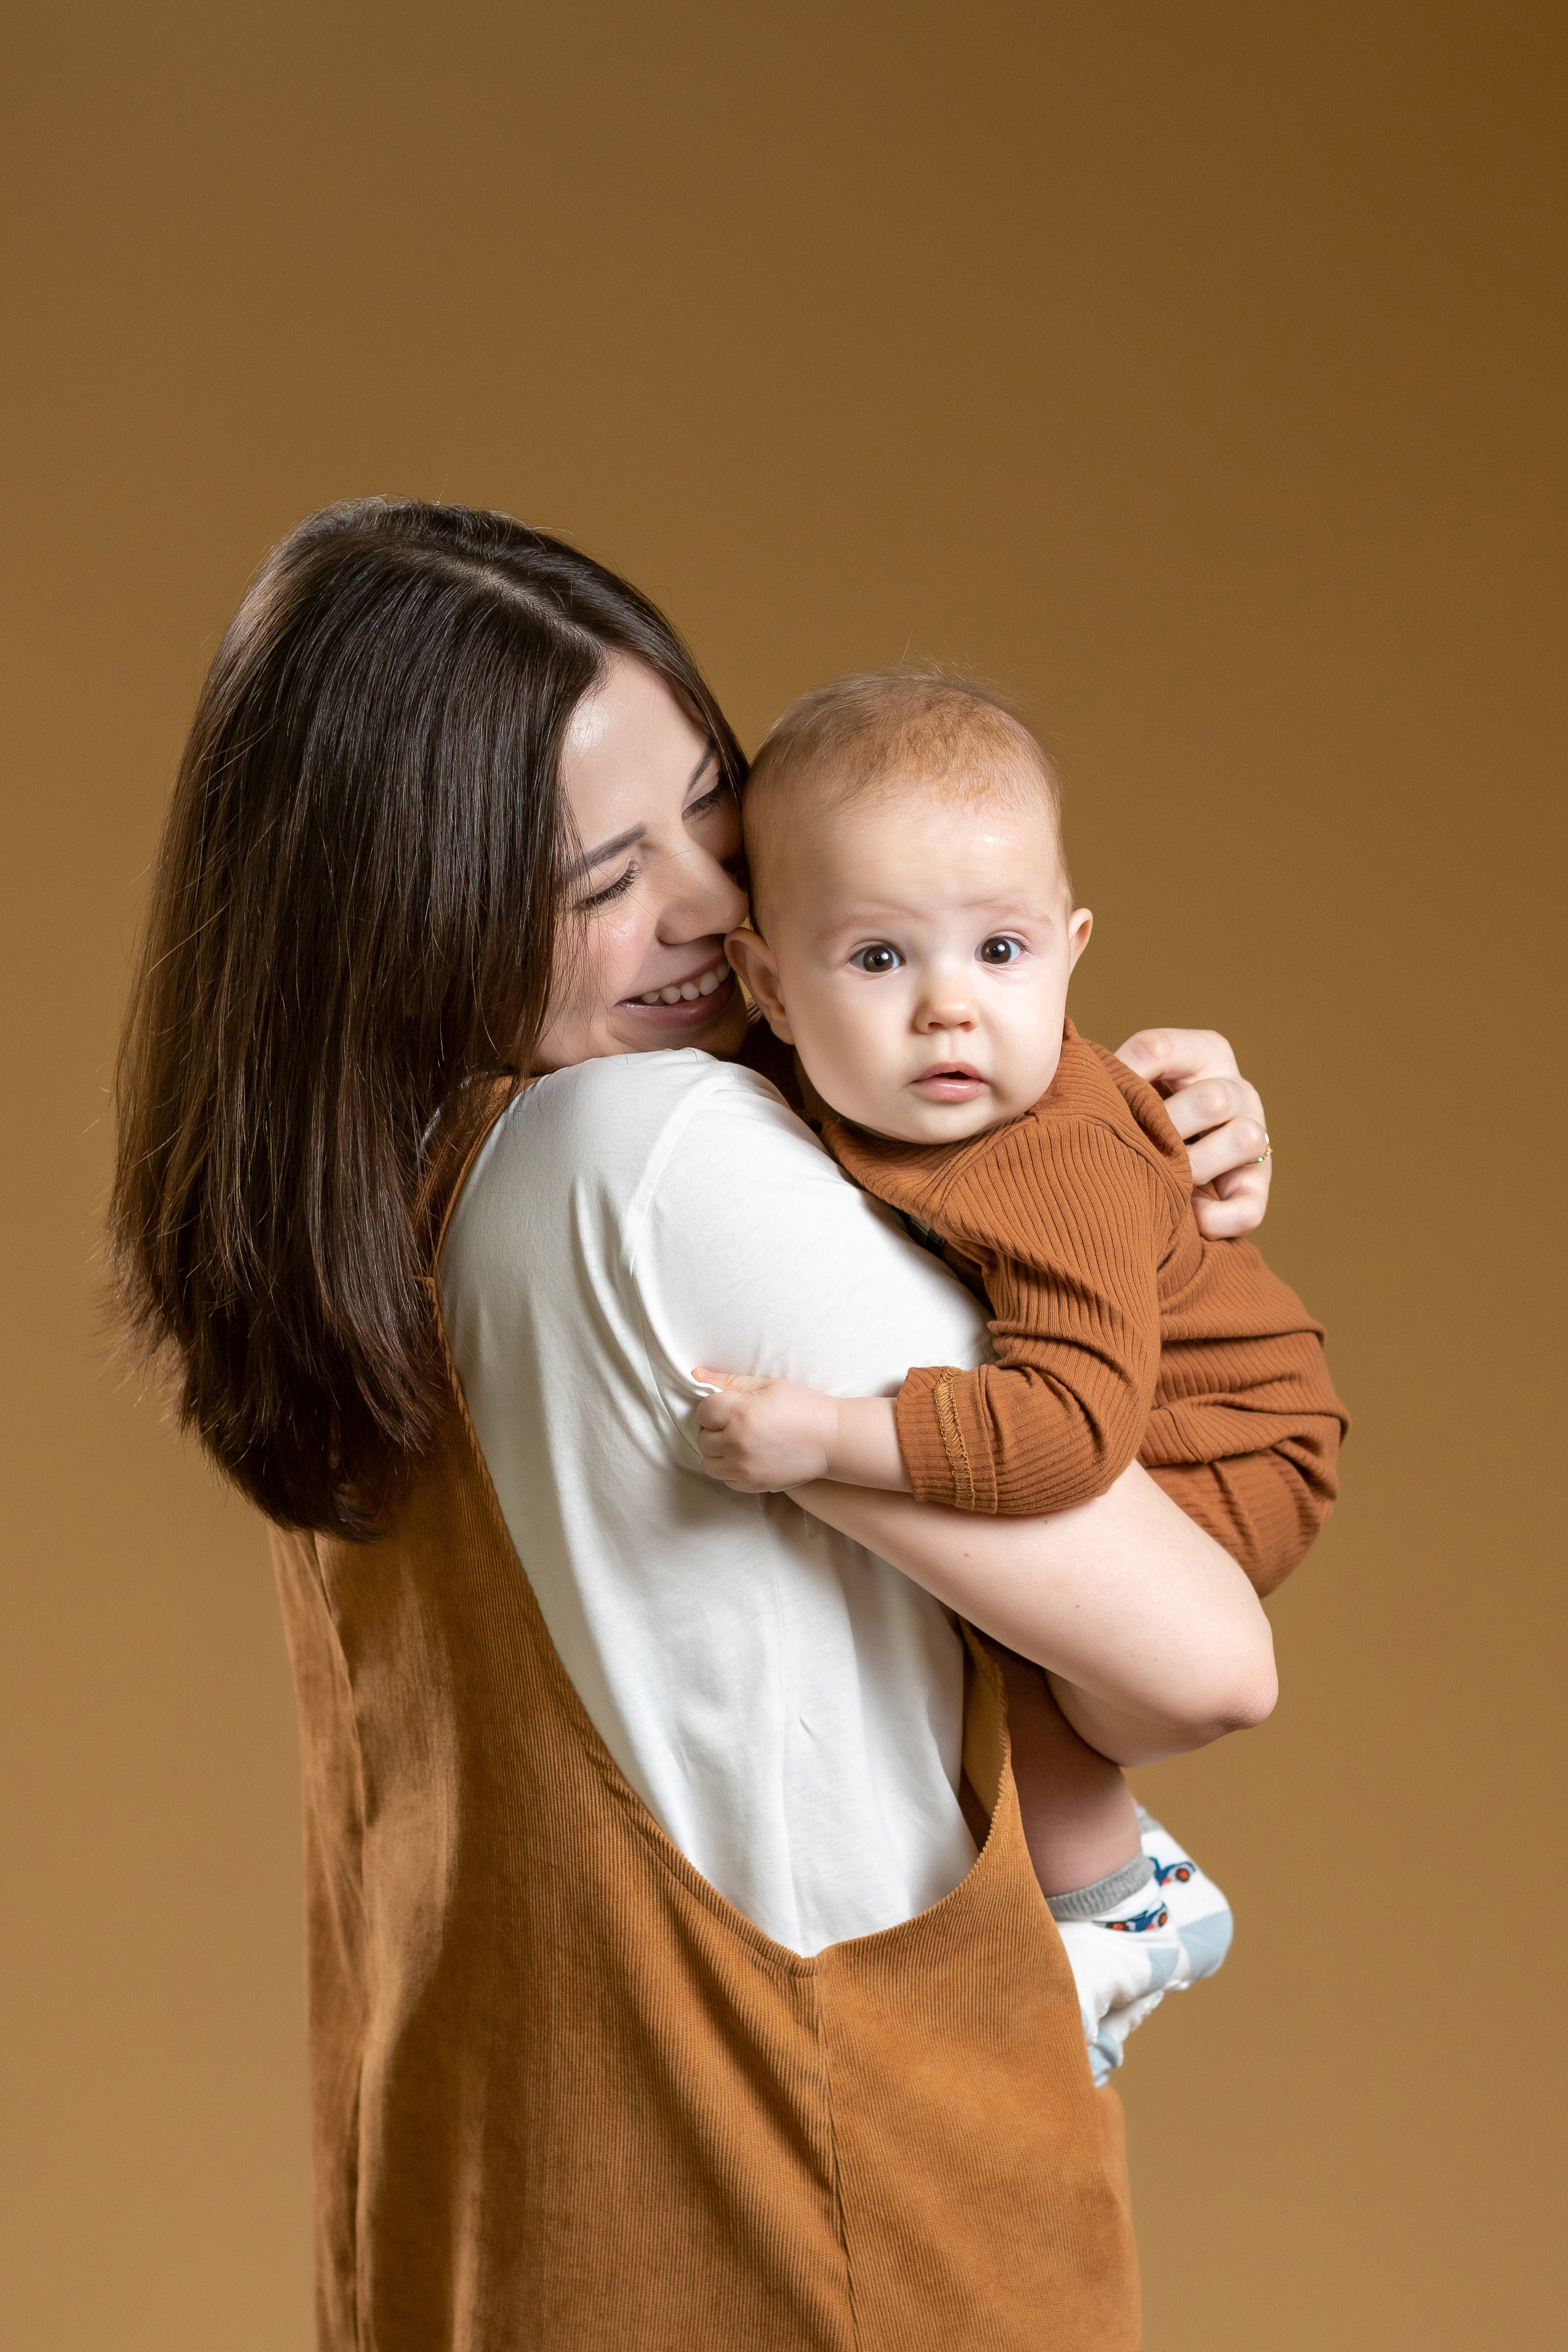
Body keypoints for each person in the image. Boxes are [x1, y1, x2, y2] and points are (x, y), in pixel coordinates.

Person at [111, 497, 1292, 2352]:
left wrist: (1109, 1131)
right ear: (406, 911)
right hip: (826, 2244)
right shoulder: (647, 1157)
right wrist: (1130, 1199)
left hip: (503, 2254)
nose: (723, 905)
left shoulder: (386, 1219)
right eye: (602, 878)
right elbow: (1198, 1659)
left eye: (716, 812)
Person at [691, 668, 1348, 2078]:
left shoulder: (1043, 1153)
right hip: (1122, 1413)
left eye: (999, 952)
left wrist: (831, 1437)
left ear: (1069, 948)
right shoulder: (807, 1079)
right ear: (767, 984)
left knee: (1013, 1628)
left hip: (1217, 1444)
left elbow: (1064, 1431)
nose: (948, 1013)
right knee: (962, 1630)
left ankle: (1117, 1910)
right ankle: (1116, 1886)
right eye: (876, 960)